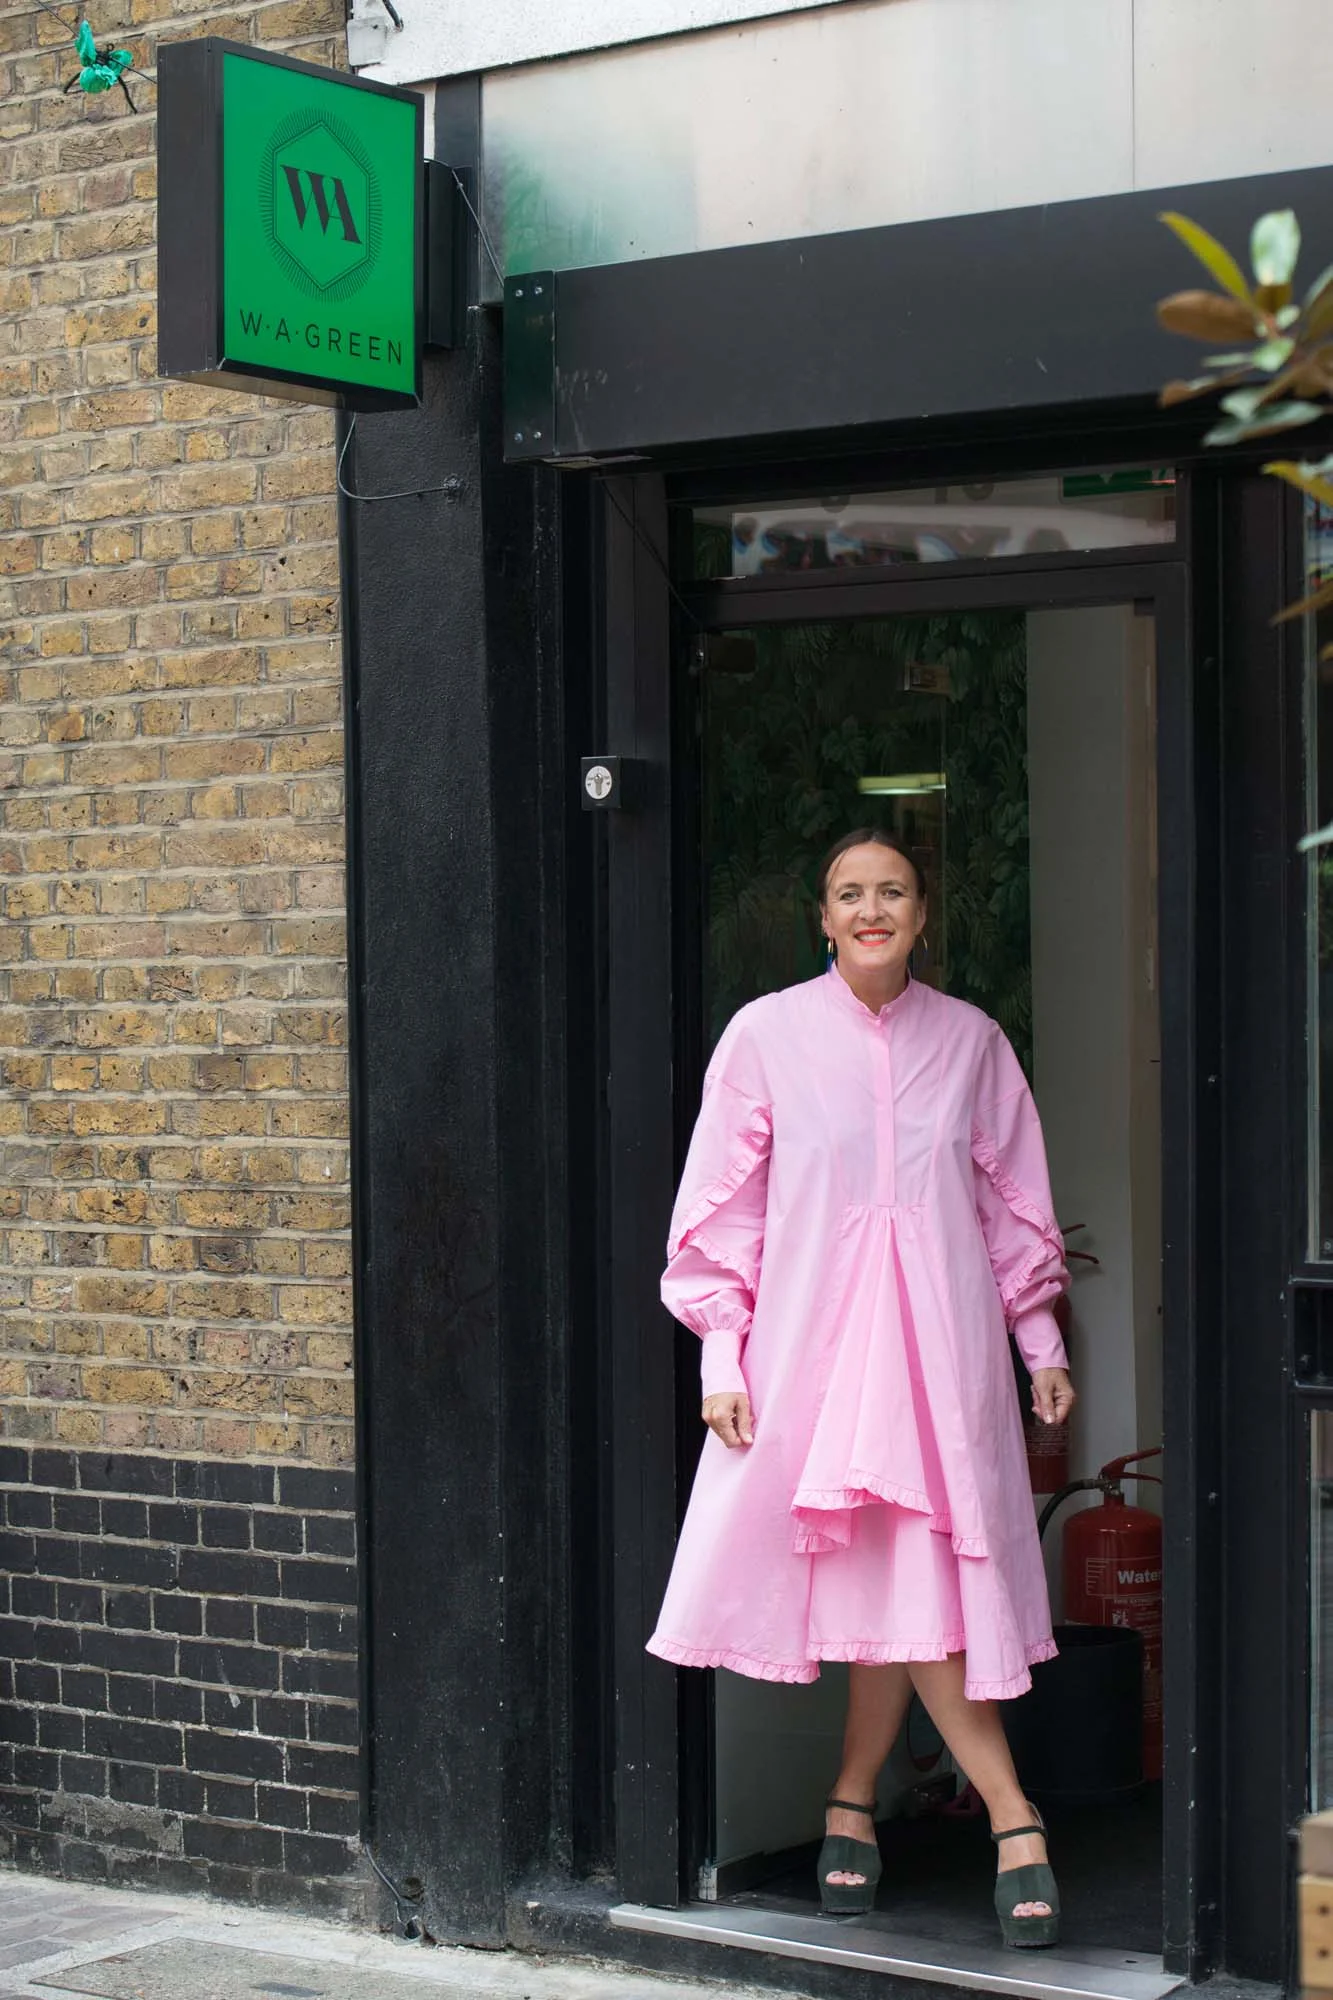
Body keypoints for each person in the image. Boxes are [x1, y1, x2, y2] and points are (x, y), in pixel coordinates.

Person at [647, 828, 1076, 1947]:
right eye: (850, 892)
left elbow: (1008, 1205)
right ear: (822, 917)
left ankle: (853, 1800)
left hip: (940, 1364)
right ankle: (1008, 1813)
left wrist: (1040, 1343)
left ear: (922, 913)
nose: (872, 907)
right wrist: (718, 1357)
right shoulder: (764, 1036)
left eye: (892, 890)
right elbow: (721, 1211)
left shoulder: (973, 1042)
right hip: (813, 1359)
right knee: (906, 1586)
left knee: (912, 1581)